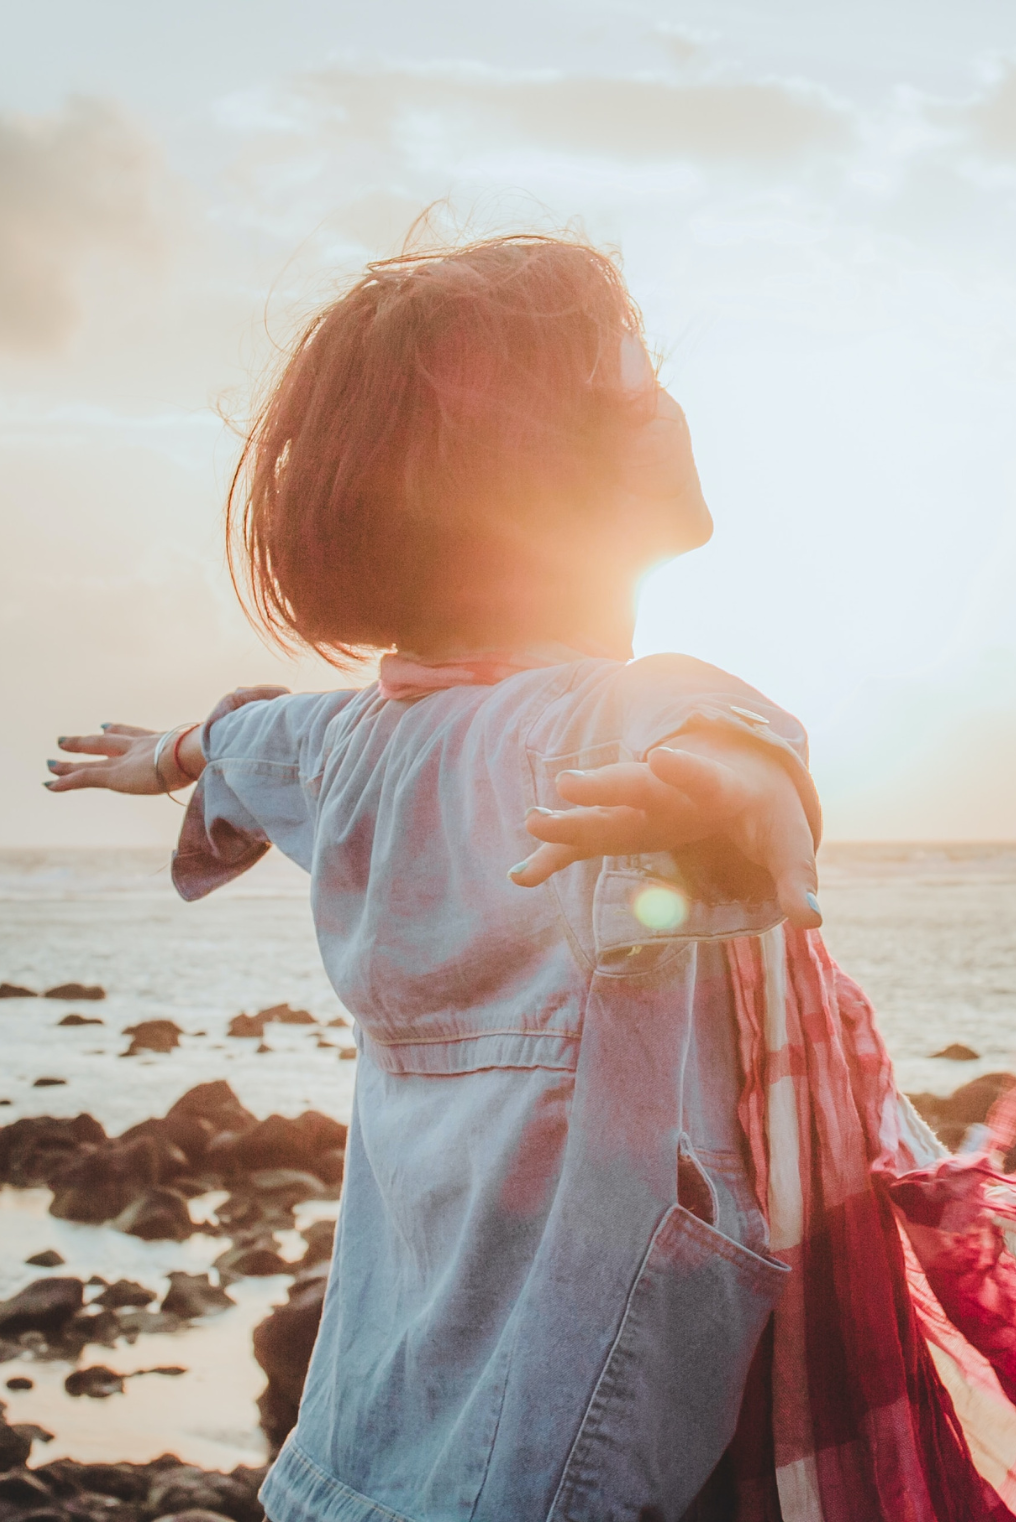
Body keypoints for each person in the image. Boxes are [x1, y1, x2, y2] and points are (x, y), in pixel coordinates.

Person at [45, 236, 1016, 1522]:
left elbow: (253, 738)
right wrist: (730, 794)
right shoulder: (610, 719)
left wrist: (171, 752)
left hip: (385, 1427)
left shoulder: (353, 742)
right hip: (598, 1433)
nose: (669, 400)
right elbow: (714, 729)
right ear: (526, 476)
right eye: (631, 384)